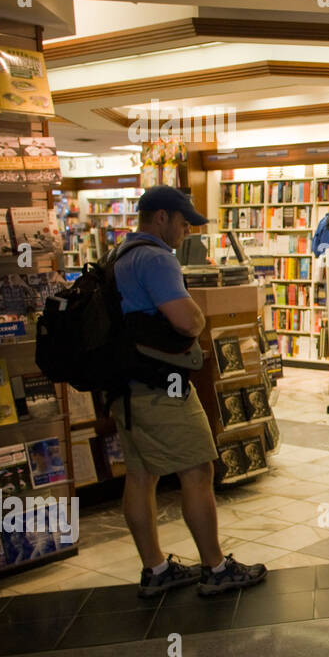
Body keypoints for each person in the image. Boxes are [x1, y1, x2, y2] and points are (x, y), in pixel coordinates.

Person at [111, 185, 268, 597]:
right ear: (160, 218)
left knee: (141, 475)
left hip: (125, 386)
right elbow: (186, 320)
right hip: (165, 383)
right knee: (199, 470)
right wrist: (197, 318)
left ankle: (156, 569)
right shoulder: (156, 257)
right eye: (182, 224)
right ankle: (216, 569)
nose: (185, 233)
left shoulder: (120, 255)